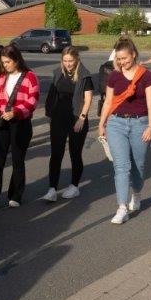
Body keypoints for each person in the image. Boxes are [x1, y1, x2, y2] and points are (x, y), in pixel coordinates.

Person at [98, 38, 151, 225]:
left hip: (140, 124)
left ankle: (137, 193)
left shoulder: (146, 76)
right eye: (119, 59)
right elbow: (108, 102)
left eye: (124, 58)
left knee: (138, 166)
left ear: (133, 55)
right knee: (121, 166)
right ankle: (122, 207)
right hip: (116, 123)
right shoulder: (114, 76)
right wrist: (102, 123)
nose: (122, 62)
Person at [0, 44, 39, 210]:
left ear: (16, 60)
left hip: (20, 123)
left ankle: (15, 195)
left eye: (8, 62)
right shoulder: (1, 76)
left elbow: (33, 101)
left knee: (17, 160)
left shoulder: (30, 77)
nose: (5, 65)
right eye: (3, 62)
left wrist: (15, 112)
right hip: (1, 122)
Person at [42, 46, 93, 201]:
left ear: (77, 59)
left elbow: (88, 99)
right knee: (56, 154)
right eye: (65, 61)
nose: (68, 64)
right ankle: (52, 189)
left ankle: (74, 186)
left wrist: (82, 118)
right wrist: (49, 114)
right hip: (58, 118)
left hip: (76, 118)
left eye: (70, 61)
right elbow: (52, 95)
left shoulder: (84, 75)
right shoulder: (58, 72)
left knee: (74, 153)